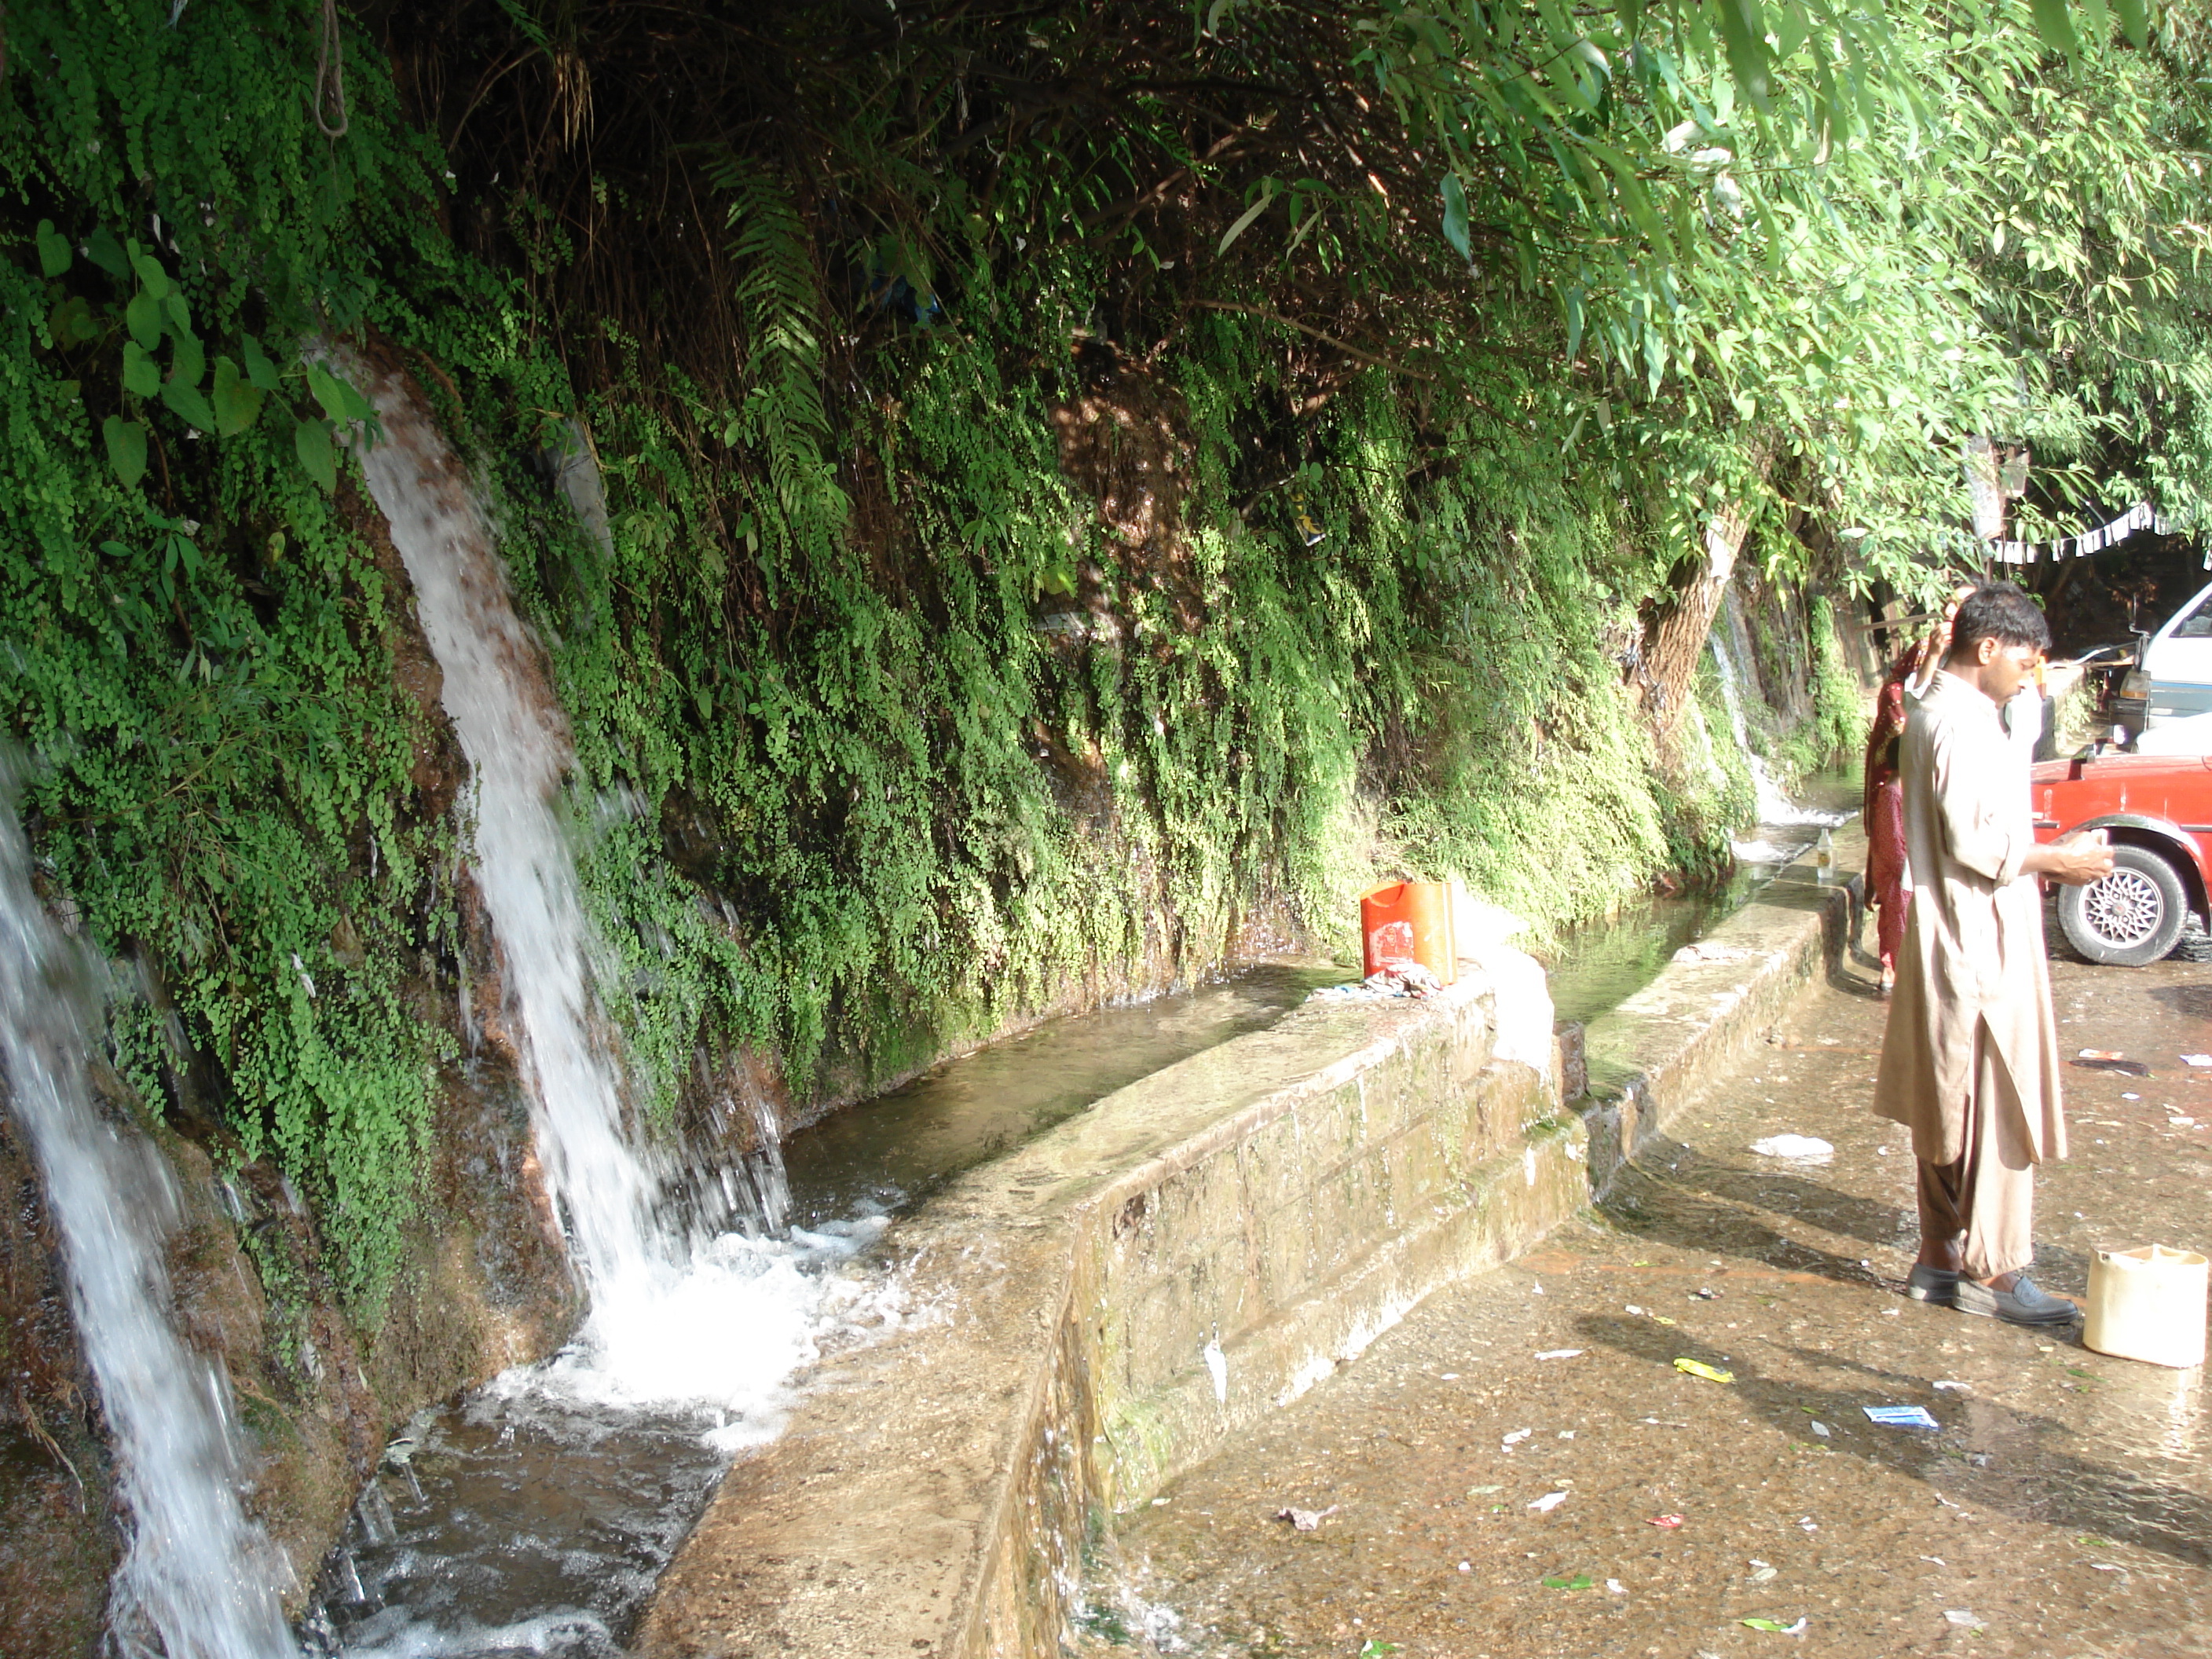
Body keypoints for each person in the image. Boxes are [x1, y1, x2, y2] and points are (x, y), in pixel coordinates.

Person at [1872, 583, 2114, 1326]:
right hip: (1980, 936)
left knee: (1952, 1101)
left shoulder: (1943, 711)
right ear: (1988, 649)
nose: (2030, 674)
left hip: (1952, 934)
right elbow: (1978, 845)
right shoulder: (1959, 724)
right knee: (2001, 1102)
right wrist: (2058, 861)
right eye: (2026, 659)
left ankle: (1939, 1257)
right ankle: (2000, 1271)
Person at [1862, 585, 1975, 992]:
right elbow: (1905, 703)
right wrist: (1931, 658)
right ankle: (1893, 960)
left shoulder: (1985, 664)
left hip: (1954, 784)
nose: (1948, 610)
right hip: (1908, 783)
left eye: (1959, 605)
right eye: (1947, 601)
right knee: (1901, 876)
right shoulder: (1926, 651)